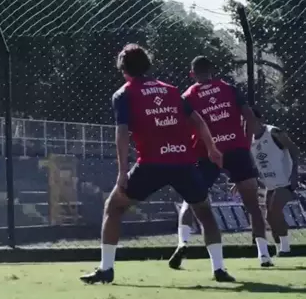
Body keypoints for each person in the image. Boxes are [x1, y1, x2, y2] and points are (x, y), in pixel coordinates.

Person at [80, 44, 234, 284]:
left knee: (114, 207)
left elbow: (122, 134)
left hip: (151, 163)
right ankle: (219, 269)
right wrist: (212, 148)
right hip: (183, 162)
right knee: (204, 211)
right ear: (147, 65)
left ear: (123, 68)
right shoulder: (171, 91)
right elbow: (198, 121)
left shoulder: (124, 94)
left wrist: (122, 172)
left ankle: (106, 269)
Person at [169, 56, 272, 268]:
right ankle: (264, 255)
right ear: (212, 71)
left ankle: (183, 242)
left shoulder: (188, 95)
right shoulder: (229, 89)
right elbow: (249, 117)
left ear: (192, 74)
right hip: (236, 149)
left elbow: (182, 128)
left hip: (206, 152)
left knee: (191, 198)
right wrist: (245, 145)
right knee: (252, 204)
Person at [249, 109, 301, 257]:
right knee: (269, 218)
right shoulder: (249, 140)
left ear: (260, 120)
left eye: (251, 120)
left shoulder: (273, 132)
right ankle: (280, 247)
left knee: (275, 211)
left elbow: (293, 149)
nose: (248, 124)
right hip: (269, 183)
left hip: (285, 180)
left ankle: (286, 248)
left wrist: (295, 174)